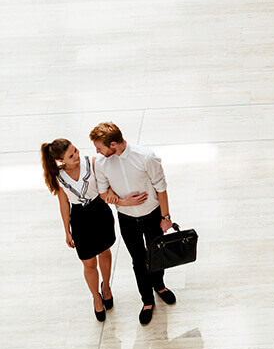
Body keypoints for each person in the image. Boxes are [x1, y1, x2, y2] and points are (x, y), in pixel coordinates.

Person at [40, 139, 145, 321]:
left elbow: (108, 182)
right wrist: (67, 231)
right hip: (80, 219)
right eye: (71, 156)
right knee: (88, 263)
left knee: (105, 252)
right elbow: (64, 204)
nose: (77, 156)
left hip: (100, 211)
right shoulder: (58, 176)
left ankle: (106, 288)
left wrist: (112, 192)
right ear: (60, 160)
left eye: (76, 151)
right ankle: (96, 296)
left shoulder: (93, 162)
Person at [89, 122, 177, 325]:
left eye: (100, 148)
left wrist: (166, 218)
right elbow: (103, 194)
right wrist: (123, 202)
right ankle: (147, 300)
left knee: (156, 254)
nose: (97, 152)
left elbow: (161, 188)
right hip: (126, 218)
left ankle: (160, 286)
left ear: (113, 144)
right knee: (138, 260)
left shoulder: (145, 157)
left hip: (152, 214)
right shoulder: (102, 163)